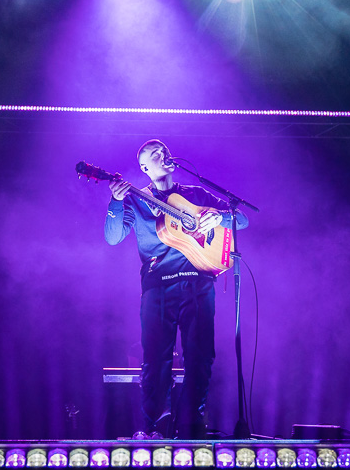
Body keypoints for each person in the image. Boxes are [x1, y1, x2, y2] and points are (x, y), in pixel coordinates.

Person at [105, 139, 248, 439]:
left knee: (200, 357)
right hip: (158, 286)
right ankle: (155, 428)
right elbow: (113, 237)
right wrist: (116, 203)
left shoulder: (194, 194)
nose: (164, 155)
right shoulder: (137, 199)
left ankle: (193, 427)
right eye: (155, 155)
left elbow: (242, 218)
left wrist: (218, 216)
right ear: (145, 168)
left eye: (164, 150)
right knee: (157, 358)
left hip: (199, 283)